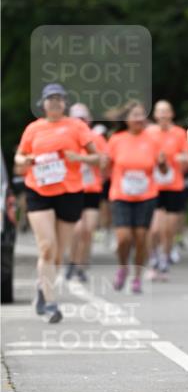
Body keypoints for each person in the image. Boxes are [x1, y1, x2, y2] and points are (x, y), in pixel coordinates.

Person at [14, 83, 98, 322]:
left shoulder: (77, 126)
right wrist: (26, 159)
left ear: (65, 103)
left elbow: (97, 158)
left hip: (69, 192)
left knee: (59, 254)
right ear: (43, 103)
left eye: (59, 99)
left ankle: (42, 288)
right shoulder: (34, 128)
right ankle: (51, 304)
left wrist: (79, 157)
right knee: (47, 247)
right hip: (38, 190)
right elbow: (19, 156)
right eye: (50, 99)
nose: (55, 102)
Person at [106, 100, 164, 293]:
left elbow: (162, 169)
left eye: (141, 115)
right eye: (135, 115)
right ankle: (123, 267)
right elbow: (106, 167)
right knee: (123, 238)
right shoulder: (116, 139)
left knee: (140, 238)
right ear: (127, 119)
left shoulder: (152, 140)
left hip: (146, 195)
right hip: (121, 195)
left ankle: (137, 276)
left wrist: (163, 162)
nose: (139, 118)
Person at [146, 100, 188, 281]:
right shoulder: (149, 133)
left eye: (166, 111)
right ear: (155, 115)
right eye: (160, 112)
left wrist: (184, 159)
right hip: (153, 187)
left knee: (168, 230)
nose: (163, 115)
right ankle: (153, 260)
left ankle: (164, 260)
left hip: (174, 187)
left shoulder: (180, 133)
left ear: (171, 114)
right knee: (154, 229)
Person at [65, 103, 109, 283]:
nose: (80, 122)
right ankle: (73, 261)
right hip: (72, 189)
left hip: (92, 190)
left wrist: (84, 160)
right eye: (76, 119)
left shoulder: (97, 139)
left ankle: (82, 265)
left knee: (88, 230)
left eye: (82, 119)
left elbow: (104, 164)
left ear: (88, 121)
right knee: (77, 230)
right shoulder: (65, 138)